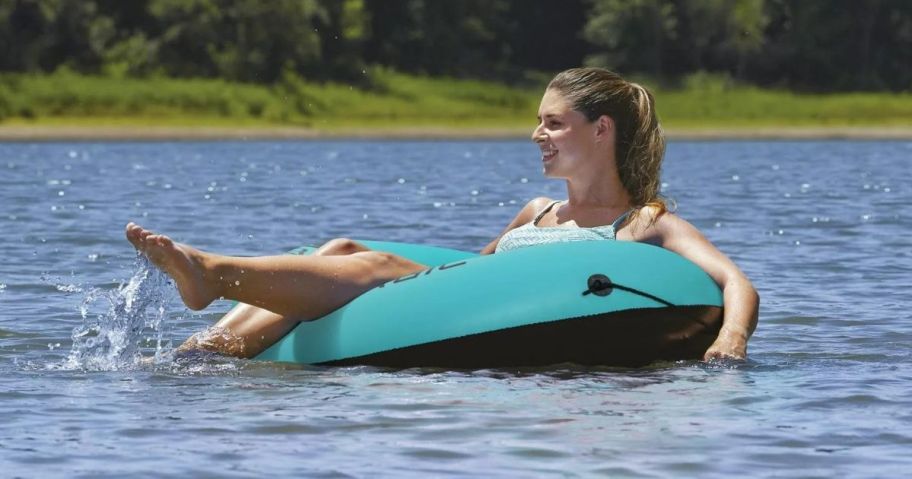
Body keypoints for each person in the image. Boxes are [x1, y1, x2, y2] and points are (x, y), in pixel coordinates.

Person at [126, 67, 759, 361]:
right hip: (462, 295)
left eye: (552, 123)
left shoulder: (646, 223)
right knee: (344, 246)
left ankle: (213, 274)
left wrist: (729, 342)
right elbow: (471, 279)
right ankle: (203, 349)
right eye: (538, 121)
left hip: (553, 316)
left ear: (601, 130)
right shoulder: (534, 213)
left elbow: (734, 282)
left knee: (368, 264)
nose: (536, 133)